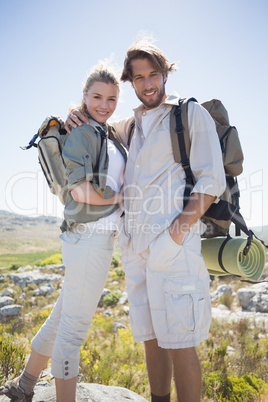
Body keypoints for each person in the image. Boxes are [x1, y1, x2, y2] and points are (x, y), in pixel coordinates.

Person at [65, 38, 226, 402]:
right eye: (139, 78)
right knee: (152, 338)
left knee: (181, 342)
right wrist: (76, 111)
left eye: (154, 74)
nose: (148, 84)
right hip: (136, 249)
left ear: (165, 74)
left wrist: (176, 232)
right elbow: (98, 117)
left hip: (173, 247)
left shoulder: (188, 114)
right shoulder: (132, 124)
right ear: (130, 82)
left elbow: (211, 179)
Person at [0, 64, 127, 402]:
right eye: (97, 97)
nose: (104, 104)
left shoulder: (106, 132)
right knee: (73, 332)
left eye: (112, 98)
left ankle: (24, 386)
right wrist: (121, 198)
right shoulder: (85, 131)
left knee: (61, 318)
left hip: (90, 238)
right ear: (84, 97)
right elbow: (79, 191)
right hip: (90, 240)